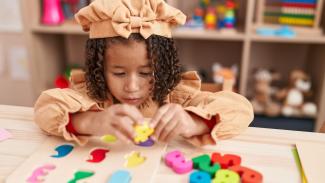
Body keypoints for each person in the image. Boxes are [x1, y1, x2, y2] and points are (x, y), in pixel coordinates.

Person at [34, 0, 253, 147]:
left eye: (146, 72)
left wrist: (195, 122)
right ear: (99, 69)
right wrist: (90, 121)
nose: (132, 86)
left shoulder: (175, 95)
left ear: (164, 67)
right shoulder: (93, 95)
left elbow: (241, 109)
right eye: (119, 73)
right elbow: (45, 109)